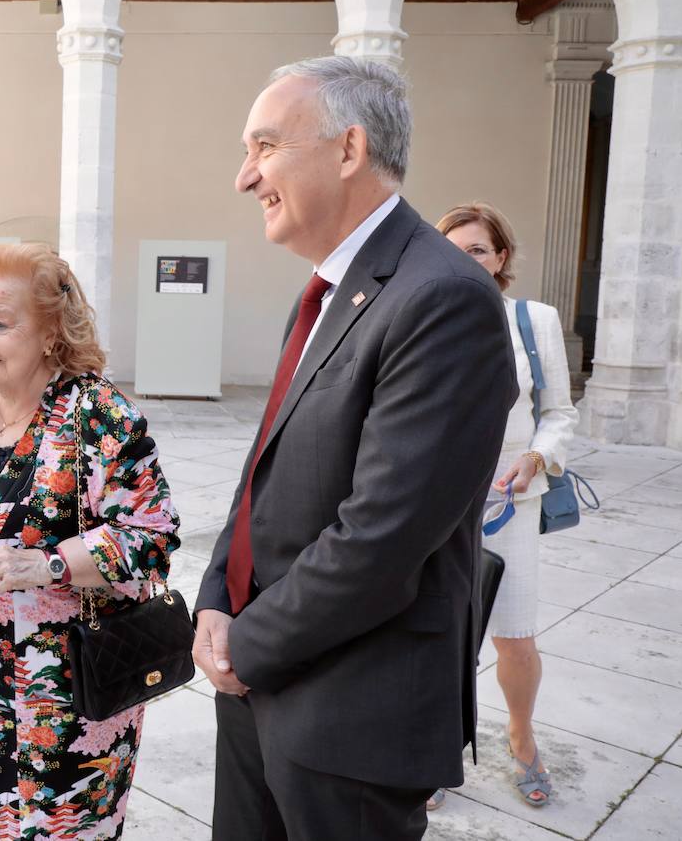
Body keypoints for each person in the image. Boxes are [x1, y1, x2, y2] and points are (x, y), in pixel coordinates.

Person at [191, 57, 518, 840]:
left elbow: (383, 535)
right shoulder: (331, 288)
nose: (245, 177)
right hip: (261, 685)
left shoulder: (442, 298)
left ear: (348, 149)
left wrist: (247, 644)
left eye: (264, 147)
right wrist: (214, 598)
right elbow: (264, 471)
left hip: (350, 717)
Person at [0, 242, 180, 840]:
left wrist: (49, 564)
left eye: (1, 325)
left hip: (64, 695)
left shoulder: (100, 414)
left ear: (52, 333)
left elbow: (152, 535)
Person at [429, 201, 577, 810]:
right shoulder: (427, 319)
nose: (466, 262)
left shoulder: (532, 321)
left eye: (478, 250)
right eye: (452, 251)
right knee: (439, 633)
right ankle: (436, 754)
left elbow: (560, 413)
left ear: (501, 258)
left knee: (513, 635)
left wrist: (536, 458)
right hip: (436, 507)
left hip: (508, 502)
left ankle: (521, 737)